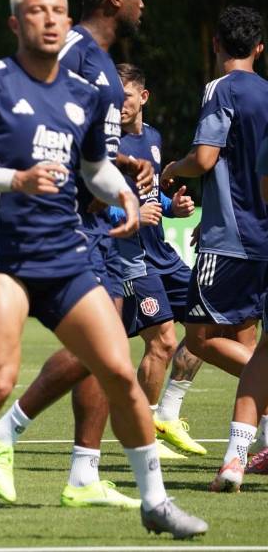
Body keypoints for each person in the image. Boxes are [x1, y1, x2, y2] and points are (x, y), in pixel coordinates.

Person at [0, 0, 206, 543]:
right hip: (2, 256)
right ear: (15, 24)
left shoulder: (83, 91)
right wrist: (14, 179)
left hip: (66, 254)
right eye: (35, 11)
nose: (49, 20)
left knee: (120, 371)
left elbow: (93, 167)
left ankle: (155, 503)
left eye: (57, 11)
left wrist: (125, 193)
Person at [0, 0, 161, 508]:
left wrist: (121, 168)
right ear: (112, 0)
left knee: (109, 353)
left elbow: (84, 145)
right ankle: (5, 430)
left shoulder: (102, 63)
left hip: (92, 222)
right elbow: (36, 120)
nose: (142, 4)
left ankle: (83, 473)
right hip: (62, 225)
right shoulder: (75, 51)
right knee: (102, 349)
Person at [103, 64, 205, 460]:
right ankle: (144, 437)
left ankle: (168, 412)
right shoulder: (104, 144)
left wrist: (172, 208)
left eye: (125, 95)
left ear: (143, 97)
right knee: (162, 340)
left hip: (161, 254)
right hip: (126, 257)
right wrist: (129, 217)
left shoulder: (154, 140)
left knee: (206, 323)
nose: (118, 103)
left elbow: (150, 199)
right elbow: (91, 205)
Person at [186, 6, 268, 493]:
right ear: (260, 48)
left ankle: (239, 454)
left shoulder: (221, 90)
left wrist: (174, 170)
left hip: (233, 239)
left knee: (198, 337)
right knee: (249, 340)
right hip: (257, 236)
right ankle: (250, 453)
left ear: (216, 44)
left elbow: (205, 158)